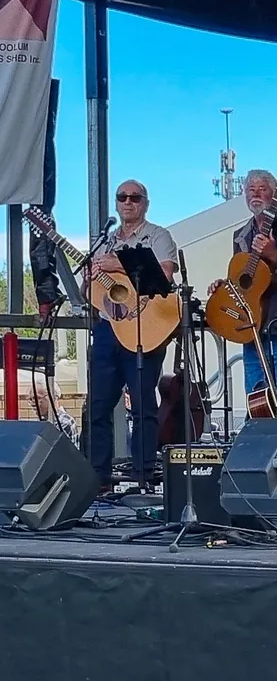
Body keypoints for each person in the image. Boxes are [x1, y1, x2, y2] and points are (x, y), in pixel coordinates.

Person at [87, 179, 177, 488]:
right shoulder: (104, 242)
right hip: (108, 329)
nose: (128, 202)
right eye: (122, 197)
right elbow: (93, 291)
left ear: (145, 204)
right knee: (97, 406)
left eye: (135, 197)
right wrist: (92, 281)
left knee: (142, 405)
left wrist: (117, 264)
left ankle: (143, 475)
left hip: (143, 327)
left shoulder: (158, 236)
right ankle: (97, 478)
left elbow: (163, 274)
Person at [213, 169, 277, 420]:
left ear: (275, 194)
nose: (256, 194)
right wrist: (224, 286)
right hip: (250, 329)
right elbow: (245, 281)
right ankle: (259, 455)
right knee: (256, 402)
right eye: (251, 189)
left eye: (262, 189)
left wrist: (276, 257)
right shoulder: (240, 236)